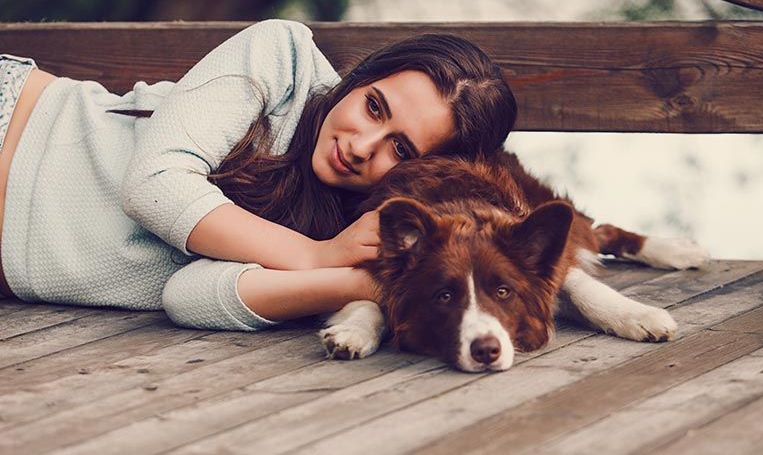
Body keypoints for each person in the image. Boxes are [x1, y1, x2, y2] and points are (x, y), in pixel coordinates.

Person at [0, 19, 517, 331]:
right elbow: (155, 184)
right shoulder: (283, 59)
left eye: (400, 149)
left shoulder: (354, 231)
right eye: (374, 107)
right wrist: (313, 256)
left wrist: (372, 283)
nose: (360, 147)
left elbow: (187, 297)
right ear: (359, 79)